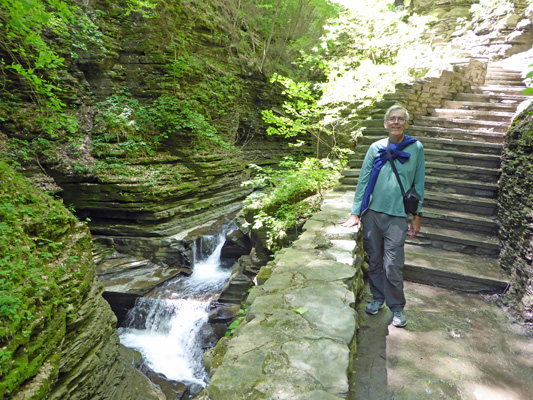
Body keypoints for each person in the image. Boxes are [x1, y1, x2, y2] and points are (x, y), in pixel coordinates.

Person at [340, 104, 425, 328]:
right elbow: (363, 180)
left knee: (393, 266)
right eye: (392, 119)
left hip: (397, 217)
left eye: (401, 119)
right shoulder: (375, 147)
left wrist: (417, 214)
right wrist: (355, 212)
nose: (396, 122)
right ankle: (378, 298)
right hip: (372, 215)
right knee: (375, 261)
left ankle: (397, 308)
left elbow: (419, 183)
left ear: (407, 123)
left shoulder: (416, 148)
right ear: (386, 123)